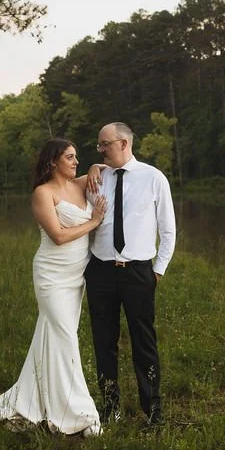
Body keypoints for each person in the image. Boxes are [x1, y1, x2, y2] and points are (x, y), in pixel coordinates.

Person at [0, 138, 107, 436]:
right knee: (65, 338)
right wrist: (95, 221)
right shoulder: (43, 193)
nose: (76, 161)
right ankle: (77, 411)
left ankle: (38, 401)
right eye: (70, 157)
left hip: (76, 277)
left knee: (51, 336)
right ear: (53, 162)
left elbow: (104, 167)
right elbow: (59, 236)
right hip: (52, 276)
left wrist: (93, 165)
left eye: (77, 157)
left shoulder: (78, 185)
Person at [84, 122, 176, 427]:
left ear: (124, 144)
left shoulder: (153, 178)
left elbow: (168, 230)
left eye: (104, 145)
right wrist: (96, 165)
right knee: (103, 341)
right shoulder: (97, 178)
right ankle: (110, 408)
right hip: (101, 272)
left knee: (143, 342)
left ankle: (152, 409)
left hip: (138, 272)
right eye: (98, 146)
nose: (100, 150)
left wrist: (157, 271)